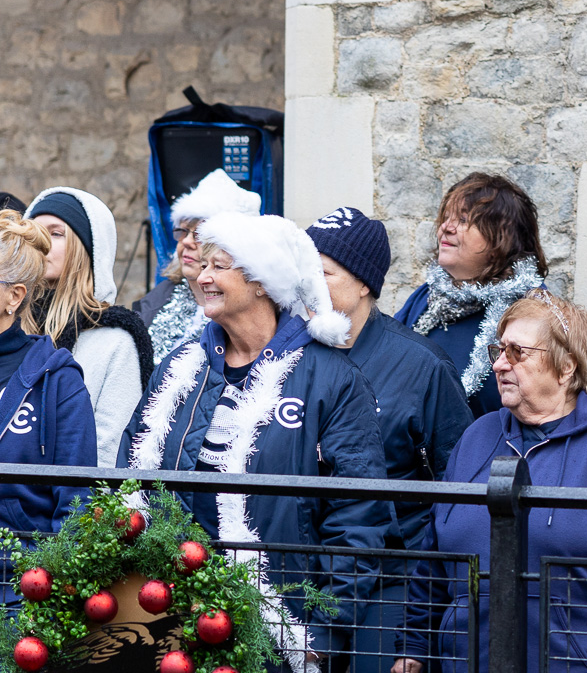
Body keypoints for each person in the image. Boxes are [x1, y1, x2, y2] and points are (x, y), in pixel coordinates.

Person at [118, 212, 392, 670]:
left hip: (278, 625)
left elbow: (359, 516)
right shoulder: (181, 368)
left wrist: (325, 627)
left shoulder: (331, 379)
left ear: (263, 282)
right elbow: (131, 470)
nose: (202, 276)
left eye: (219, 265)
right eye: (203, 265)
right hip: (168, 613)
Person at [394, 291, 587, 673]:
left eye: (517, 352)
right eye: (498, 350)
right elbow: (434, 556)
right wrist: (413, 645)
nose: (499, 364)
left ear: (566, 368)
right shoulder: (477, 438)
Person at [306, 206, 472, 673]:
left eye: (323, 273)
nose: (309, 287)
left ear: (364, 284)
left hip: (394, 572)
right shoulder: (289, 355)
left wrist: (416, 635)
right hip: (304, 564)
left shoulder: (423, 366)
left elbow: (458, 487)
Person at [395, 173, 549, 420]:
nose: (446, 227)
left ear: (502, 237)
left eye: (464, 220)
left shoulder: (531, 308)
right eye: (446, 218)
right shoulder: (424, 299)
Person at [25, 187, 153, 466]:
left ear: (85, 250)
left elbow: (109, 452)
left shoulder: (115, 341)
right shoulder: (10, 330)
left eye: (56, 233)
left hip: (71, 505)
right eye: (33, 233)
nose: (41, 243)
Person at [0, 210, 96, 545]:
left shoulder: (60, 382)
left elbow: (76, 507)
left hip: (19, 584)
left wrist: (49, 587)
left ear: (15, 296)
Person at [133, 169, 262, 364]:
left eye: (200, 234)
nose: (186, 242)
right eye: (182, 231)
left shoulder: (246, 315)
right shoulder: (154, 303)